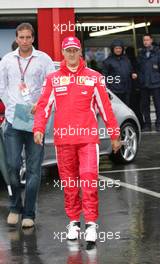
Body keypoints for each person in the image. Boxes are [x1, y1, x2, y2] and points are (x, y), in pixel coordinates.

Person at [33, 36, 121, 249]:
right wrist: (38, 128)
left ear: (80, 52)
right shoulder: (53, 79)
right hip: (64, 140)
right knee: (70, 184)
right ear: (63, 53)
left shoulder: (94, 77)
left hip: (88, 140)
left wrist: (114, 134)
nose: (71, 54)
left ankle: (90, 224)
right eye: (68, 51)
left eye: (75, 50)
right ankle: (74, 222)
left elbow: (105, 108)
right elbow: (44, 105)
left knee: (89, 180)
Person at [0, 23, 55, 228]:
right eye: (21, 37)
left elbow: (50, 86)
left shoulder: (44, 60)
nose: (24, 41)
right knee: (13, 166)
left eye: (28, 37)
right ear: (16, 38)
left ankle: (29, 213)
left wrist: (38, 104)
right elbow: (2, 87)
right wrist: (12, 105)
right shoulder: (7, 60)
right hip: (14, 120)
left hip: (36, 121)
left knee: (33, 169)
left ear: (33, 38)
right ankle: (15, 207)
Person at [138, 34, 160, 132]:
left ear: (151, 40)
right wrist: (140, 80)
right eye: (144, 40)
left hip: (156, 82)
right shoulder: (141, 53)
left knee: (158, 105)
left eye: (147, 40)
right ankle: (147, 125)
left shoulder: (158, 52)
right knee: (145, 106)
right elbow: (139, 69)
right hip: (144, 83)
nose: (146, 42)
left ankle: (159, 124)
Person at [103, 39, 137, 106]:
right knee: (116, 109)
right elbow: (104, 77)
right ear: (113, 49)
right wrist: (108, 90)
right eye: (116, 48)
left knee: (126, 108)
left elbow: (131, 70)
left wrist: (133, 74)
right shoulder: (107, 61)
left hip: (126, 90)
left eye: (120, 48)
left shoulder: (126, 59)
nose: (118, 50)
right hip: (114, 91)